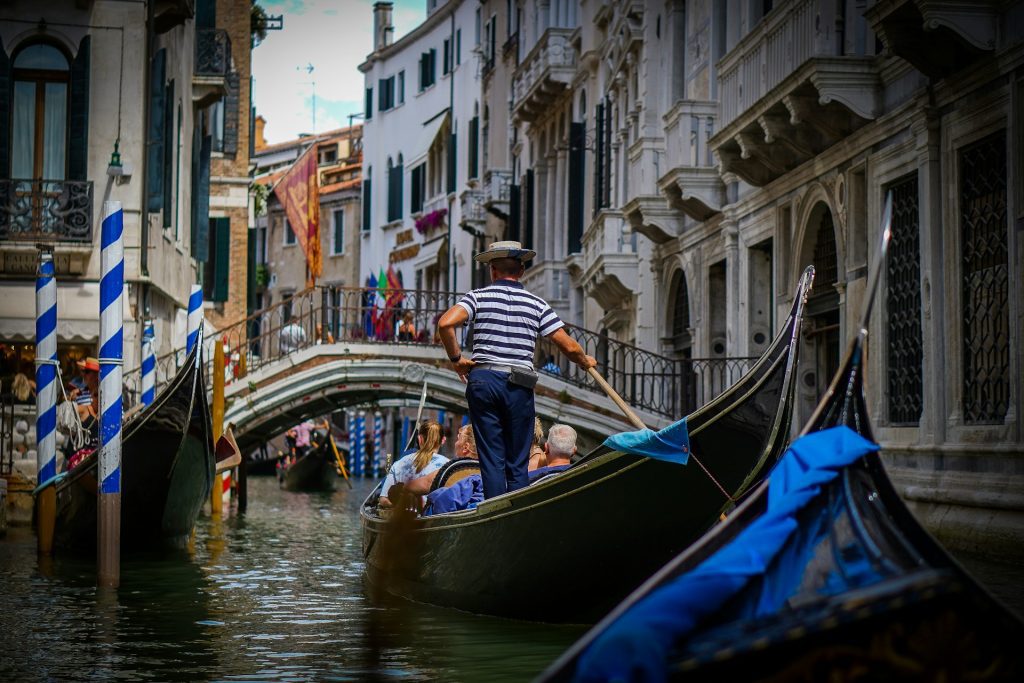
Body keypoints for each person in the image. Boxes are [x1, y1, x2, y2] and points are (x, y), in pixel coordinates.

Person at [437, 241, 597, 499]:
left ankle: (494, 513)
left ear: (492, 270)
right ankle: (516, 511)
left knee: (491, 459)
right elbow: (566, 344)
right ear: (521, 270)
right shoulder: (536, 304)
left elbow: (445, 324)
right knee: (517, 460)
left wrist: (456, 359)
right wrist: (585, 360)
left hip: (484, 380)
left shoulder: (477, 297)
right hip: (518, 386)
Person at [378, 420, 449, 508]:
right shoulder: (448, 465)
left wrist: (398, 509)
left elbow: (383, 499)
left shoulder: (399, 463)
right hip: (434, 514)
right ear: (443, 440)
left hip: (406, 516)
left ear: (419, 439)